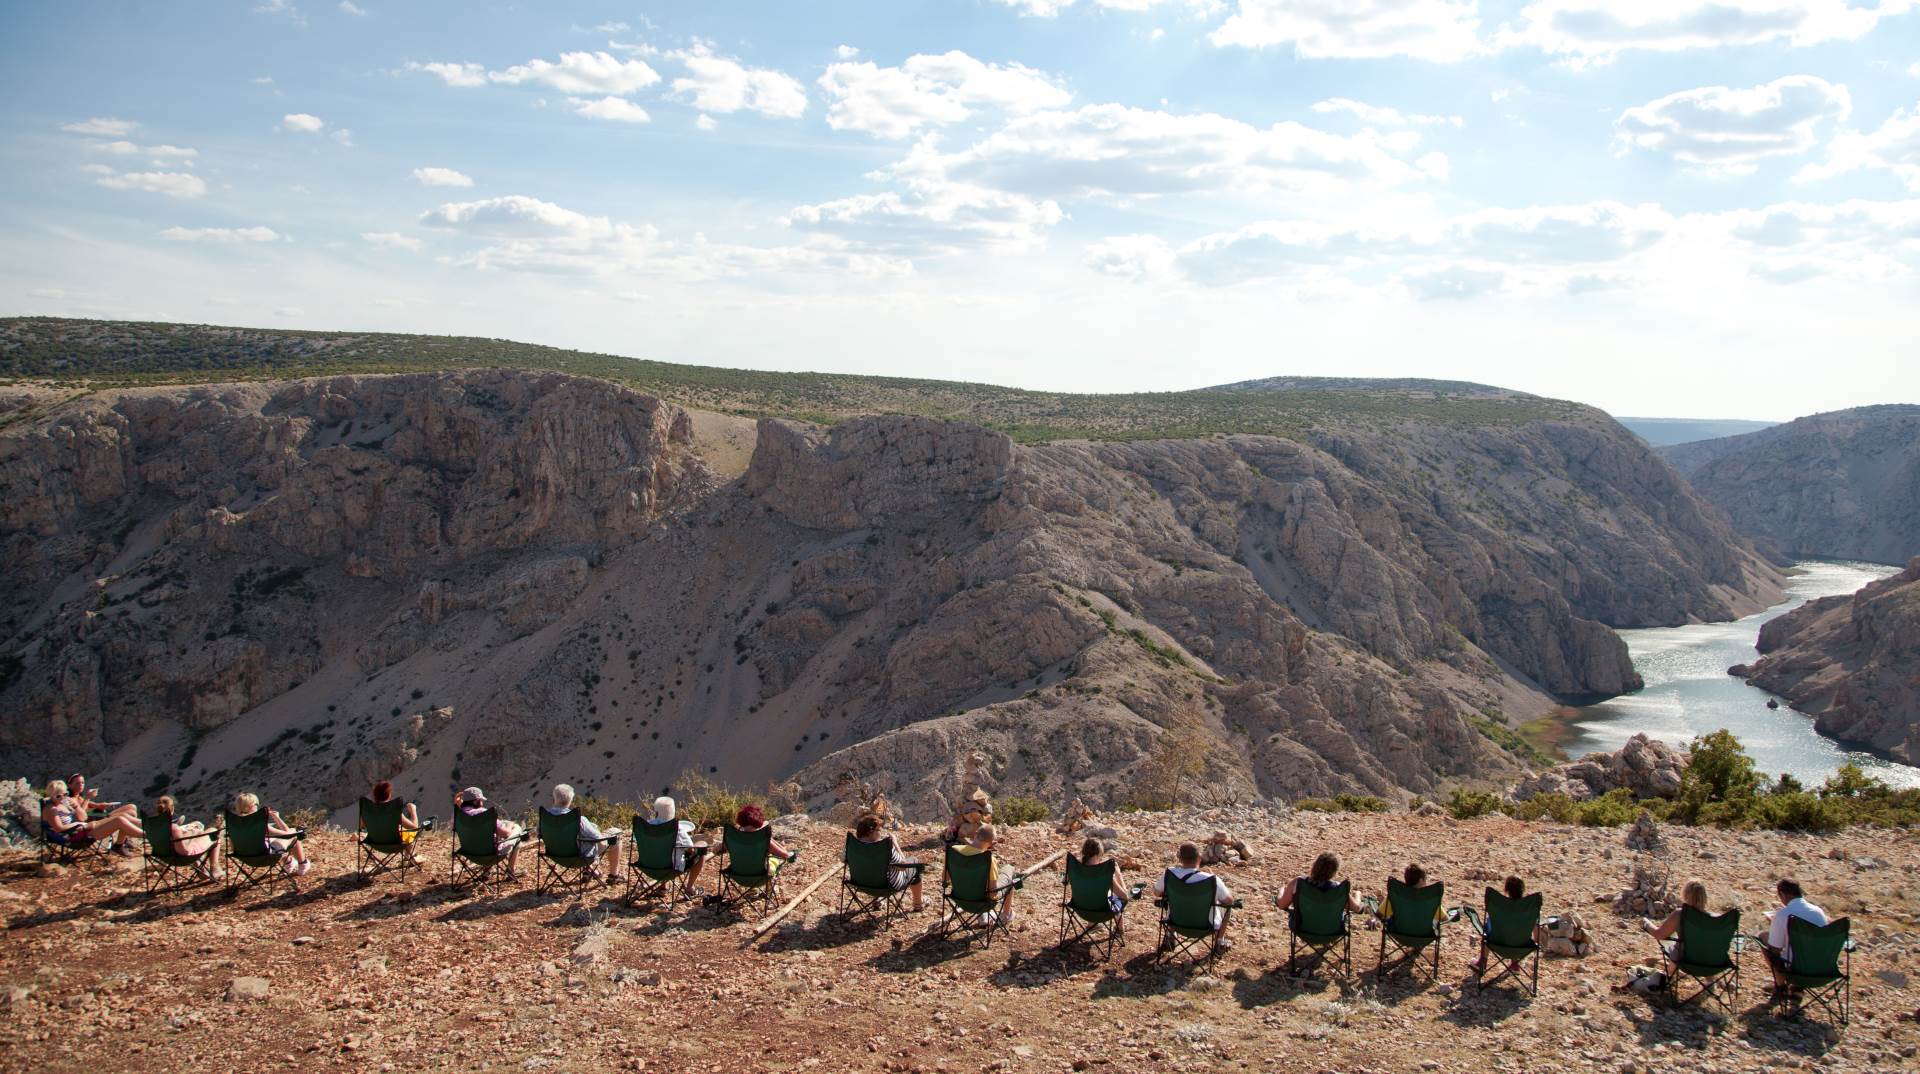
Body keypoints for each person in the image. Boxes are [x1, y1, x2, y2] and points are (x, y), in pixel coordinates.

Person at [1155, 842, 1236, 950]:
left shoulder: (1169, 874)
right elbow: (1229, 901)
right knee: (1227, 908)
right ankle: (1219, 942)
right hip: (1206, 926)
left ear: (1180, 858)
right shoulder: (1211, 879)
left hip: (1175, 922)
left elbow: (1157, 893)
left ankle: (1170, 936)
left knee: (1169, 900)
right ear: (1199, 858)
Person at [1760, 878, 1830, 992]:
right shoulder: (1819, 912)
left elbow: (1775, 949)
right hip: (1823, 969)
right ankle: (1797, 989)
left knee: (1763, 937)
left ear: (1782, 894)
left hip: (1796, 970)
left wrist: (1775, 926)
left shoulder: (1783, 914)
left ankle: (1780, 986)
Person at [1468, 875, 1548, 975]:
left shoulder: (1499, 907)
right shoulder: (1529, 910)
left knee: (1488, 929)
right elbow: (1536, 933)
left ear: (1506, 890)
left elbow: (1488, 929)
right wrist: (1534, 945)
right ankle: (1515, 964)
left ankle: (1482, 962)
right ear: (1522, 890)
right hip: (1522, 948)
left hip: (1497, 944)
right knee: (1516, 931)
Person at [544, 784, 623, 884]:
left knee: (592, 827)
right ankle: (614, 875)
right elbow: (597, 838)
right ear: (571, 800)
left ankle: (589, 870)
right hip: (579, 857)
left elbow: (539, 833)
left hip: (555, 855)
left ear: (554, 798)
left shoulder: (545, 817)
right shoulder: (578, 819)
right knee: (617, 834)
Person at [42, 779, 142, 855]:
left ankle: (150, 827)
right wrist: (77, 824)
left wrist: (76, 807)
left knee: (122, 816)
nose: (62, 798)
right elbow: (59, 829)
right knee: (119, 820)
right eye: (58, 796)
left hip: (85, 827)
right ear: (51, 796)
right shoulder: (51, 809)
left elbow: (83, 817)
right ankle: (148, 835)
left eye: (65, 794)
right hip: (74, 836)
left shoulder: (65, 803)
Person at [1274, 852, 1364, 931]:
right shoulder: (1338, 889)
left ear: (1315, 866)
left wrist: (1281, 891)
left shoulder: (1298, 883)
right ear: (1334, 871)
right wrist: (1358, 895)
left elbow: (1282, 904)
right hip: (1332, 931)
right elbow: (1357, 909)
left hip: (1302, 929)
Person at [853, 811, 923, 911]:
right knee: (915, 863)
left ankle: (878, 900)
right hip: (886, 886)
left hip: (859, 883)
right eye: (878, 830)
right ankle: (918, 904)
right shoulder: (884, 848)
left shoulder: (853, 845)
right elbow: (903, 866)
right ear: (870, 831)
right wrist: (895, 844)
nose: (880, 833)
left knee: (873, 867)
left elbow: (843, 859)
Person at [231, 792, 311, 877]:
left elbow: (233, 846)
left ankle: (289, 863)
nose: (257, 806)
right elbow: (287, 835)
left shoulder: (234, 824)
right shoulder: (258, 823)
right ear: (251, 806)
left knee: (272, 841)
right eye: (256, 804)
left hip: (245, 858)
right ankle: (303, 864)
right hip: (265, 857)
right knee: (293, 833)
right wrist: (277, 818)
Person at [952, 822, 1016, 924]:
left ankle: (983, 916)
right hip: (983, 904)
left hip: (958, 899)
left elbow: (945, 879)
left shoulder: (954, 851)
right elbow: (993, 893)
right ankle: (1006, 915)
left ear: (975, 834)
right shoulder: (989, 859)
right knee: (1009, 869)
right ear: (990, 843)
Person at [455, 786, 524, 876]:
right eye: (481, 800)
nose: (482, 802)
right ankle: (511, 871)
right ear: (476, 801)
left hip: (469, 853)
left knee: (487, 831)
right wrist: (511, 825)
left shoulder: (459, 815)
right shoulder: (483, 814)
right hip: (491, 854)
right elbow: (506, 834)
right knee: (517, 828)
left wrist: (458, 804)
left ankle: (487, 871)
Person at [646, 796, 709, 889]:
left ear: (656, 812)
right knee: (701, 848)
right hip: (671, 869)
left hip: (647, 866)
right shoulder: (677, 828)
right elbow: (690, 849)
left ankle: (664, 886)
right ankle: (690, 888)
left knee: (662, 850)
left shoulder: (647, 826)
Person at [153, 795, 220, 875]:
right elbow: (185, 850)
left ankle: (202, 870)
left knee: (195, 831)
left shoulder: (154, 827)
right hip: (182, 858)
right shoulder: (174, 828)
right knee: (214, 832)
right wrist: (192, 832)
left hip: (165, 857)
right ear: (172, 809)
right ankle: (215, 869)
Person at [364, 780, 425, 864]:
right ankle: (409, 856)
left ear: (375, 795)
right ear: (389, 795)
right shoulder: (394, 811)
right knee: (409, 833)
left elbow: (361, 826)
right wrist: (413, 811)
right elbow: (414, 828)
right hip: (395, 845)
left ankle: (407, 857)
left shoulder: (367, 810)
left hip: (374, 843)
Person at [1642, 880, 1709, 946]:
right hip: (1708, 956)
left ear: (1685, 895)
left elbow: (1659, 934)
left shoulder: (1680, 914)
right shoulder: (1713, 918)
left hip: (1686, 955)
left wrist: (1646, 924)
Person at [1377, 862, 1442, 931]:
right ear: (1421, 880)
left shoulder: (1397, 895)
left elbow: (1379, 914)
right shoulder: (1429, 898)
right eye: (1425, 878)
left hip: (1399, 933)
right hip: (1424, 936)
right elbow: (1445, 918)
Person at [1078, 835, 1130, 913]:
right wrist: (1118, 875)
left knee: (1093, 893)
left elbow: (1064, 880)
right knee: (1116, 898)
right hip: (1101, 912)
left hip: (1080, 908)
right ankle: (1120, 925)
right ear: (1098, 854)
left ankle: (1091, 924)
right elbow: (1125, 897)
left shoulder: (1077, 867)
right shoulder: (1104, 873)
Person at [70, 774, 137, 820]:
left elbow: (95, 805)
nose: (81, 785)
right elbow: (81, 816)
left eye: (82, 783)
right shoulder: (71, 799)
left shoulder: (80, 798)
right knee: (131, 813)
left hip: (101, 816)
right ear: (70, 785)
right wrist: (88, 798)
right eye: (77, 783)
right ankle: (122, 840)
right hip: (94, 822)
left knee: (132, 806)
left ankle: (124, 839)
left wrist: (103, 805)